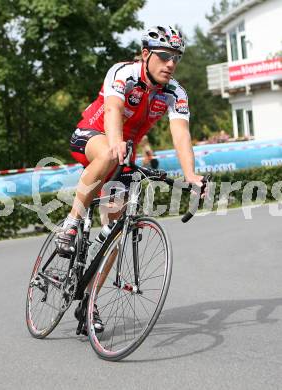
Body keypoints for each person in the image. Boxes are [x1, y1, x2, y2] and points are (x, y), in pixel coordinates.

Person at [56, 25, 206, 331]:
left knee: (115, 231)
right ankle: (71, 223)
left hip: (126, 149)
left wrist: (190, 174)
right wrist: (114, 143)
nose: (171, 64)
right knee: (111, 154)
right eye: (164, 56)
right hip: (95, 135)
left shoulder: (175, 92)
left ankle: (88, 301)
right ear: (146, 54)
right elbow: (112, 110)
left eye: (176, 57)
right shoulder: (123, 73)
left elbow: (181, 134)